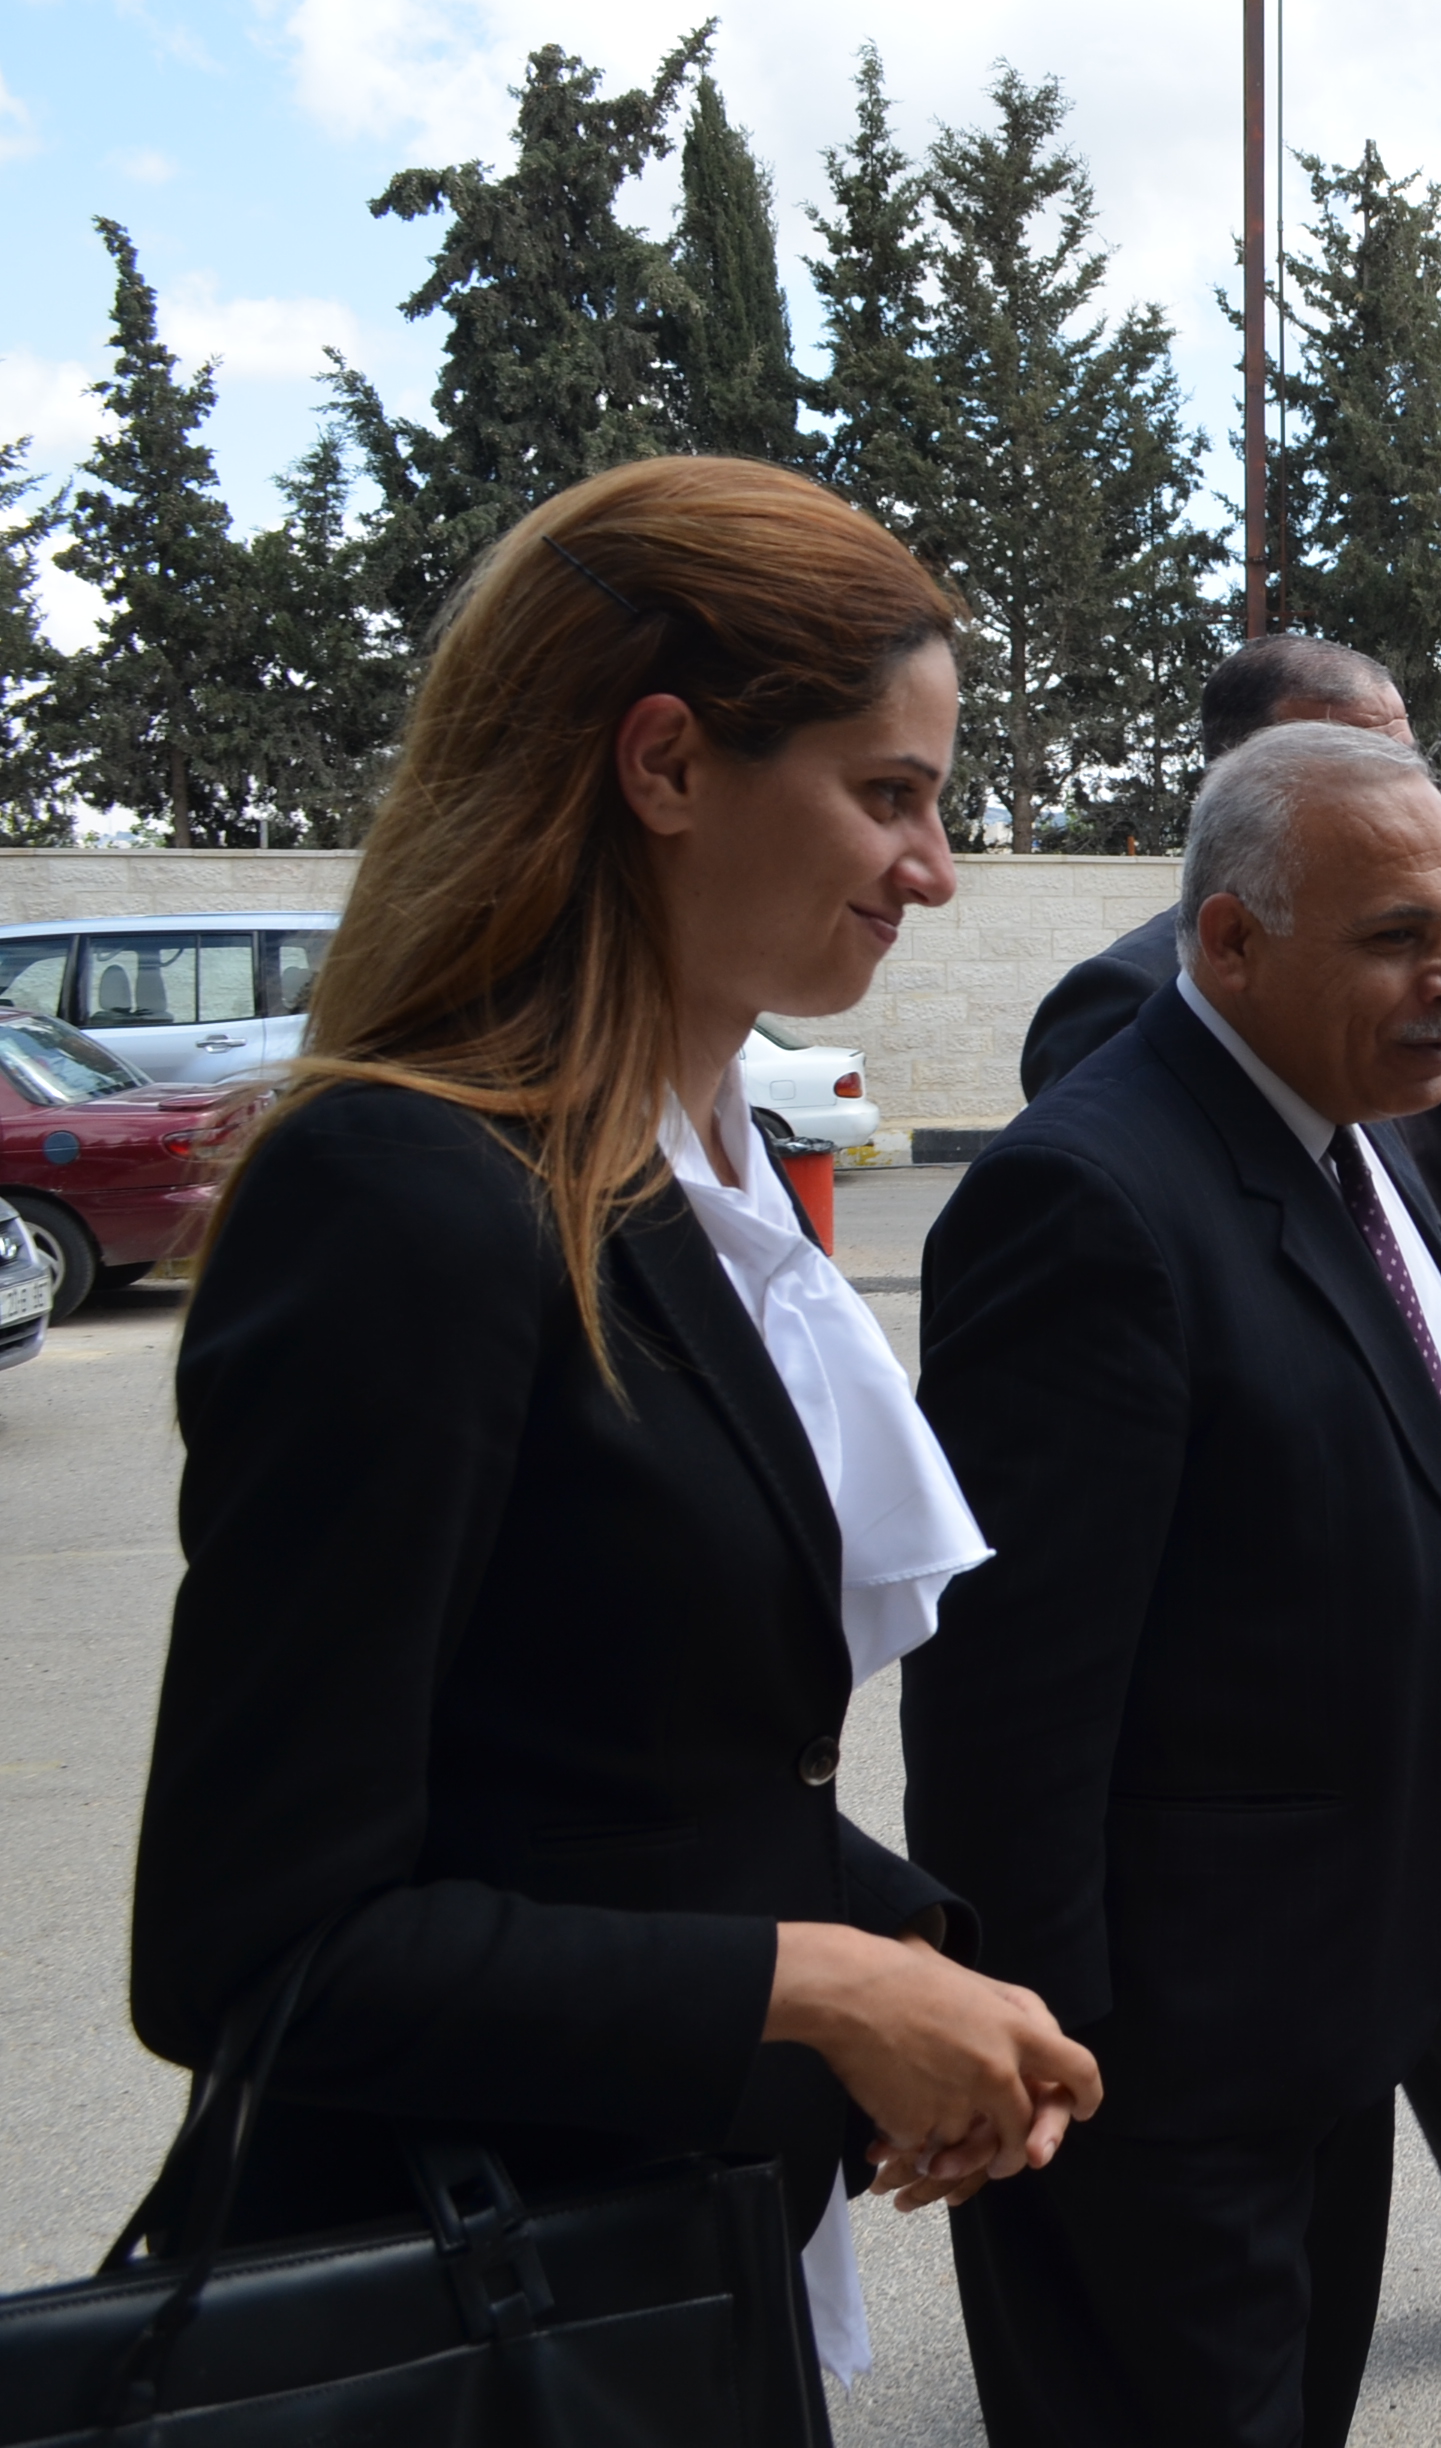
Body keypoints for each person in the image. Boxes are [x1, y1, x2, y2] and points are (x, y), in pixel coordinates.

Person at [129, 456, 1102, 2407]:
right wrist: (813, 1983)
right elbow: (253, 1950)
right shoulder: (404, 1201)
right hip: (480, 2329)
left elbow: (619, 1772)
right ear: (664, 764)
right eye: (888, 793)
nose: (932, 870)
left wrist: (908, 1949)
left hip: (671, 2260)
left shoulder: (681, 1179)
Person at [907, 722, 1441, 2445]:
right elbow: (1006, 1710)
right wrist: (1037, 2051)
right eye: (1395, 937)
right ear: (1231, 940)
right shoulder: (1086, 1197)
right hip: (1162, 2067)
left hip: (1335, 2003)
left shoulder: (1361, 1132)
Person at [1014, 635, 1415, 1104]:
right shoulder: (1133, 997)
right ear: (1234, 785)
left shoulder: (1421, 964)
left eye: (1409, 766)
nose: (1411, 799)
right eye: (1360, 771)